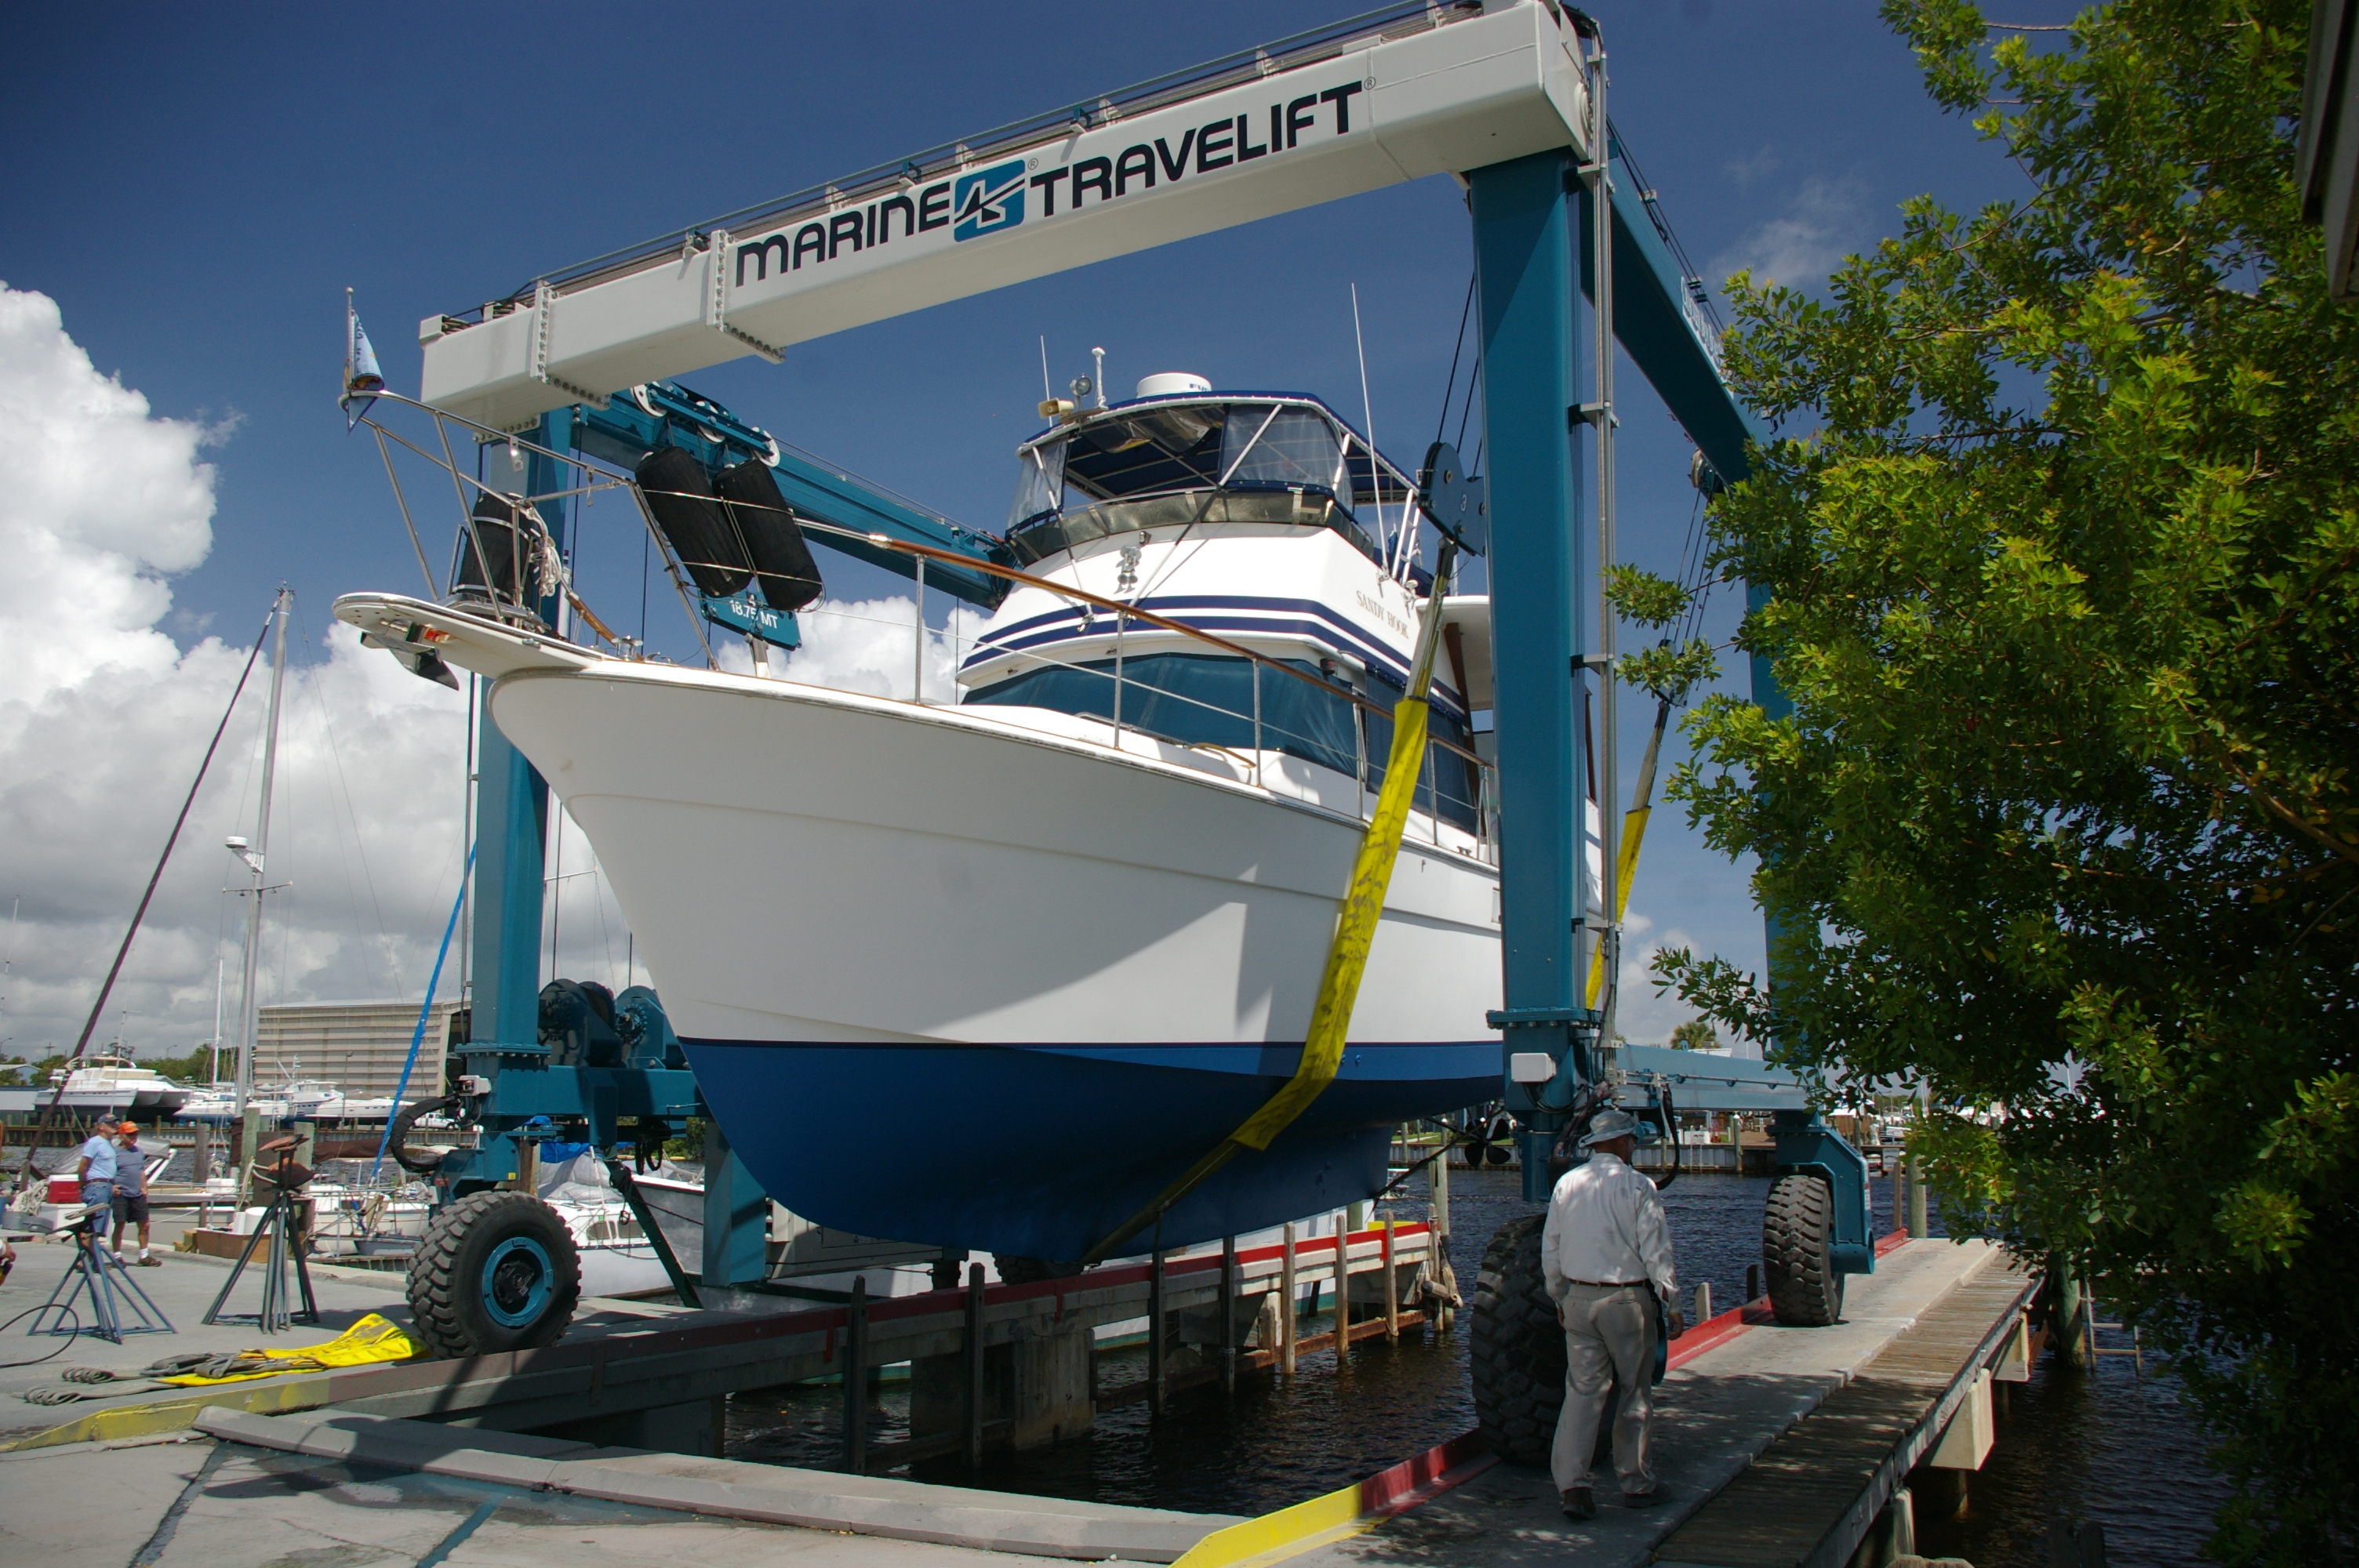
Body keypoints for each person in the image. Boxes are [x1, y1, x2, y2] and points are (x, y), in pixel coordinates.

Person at [1541, 1107, 1684, 1520]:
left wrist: (1559, 1298)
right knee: (1634, 1392)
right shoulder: (1639, 1186)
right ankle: (1636, 1483)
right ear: (1623, 1142)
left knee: (1582, 1394)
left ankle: (1573, 1489)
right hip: (1625, 1301)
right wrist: (1670, 1300)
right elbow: (1656, 1251)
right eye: (1633, 1141)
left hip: (1579, 1301)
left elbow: (1551, 1248)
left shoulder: (1568, 1184)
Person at [110, 1122, 159, 1265]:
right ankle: (117, 1256)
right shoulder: (114, 1153)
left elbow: (141, 1171)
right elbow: (108, 1172)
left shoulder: (139, 1152)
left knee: (144, 1225)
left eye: (136, 1134)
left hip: (137, 1194)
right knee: (120, 1224)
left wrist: (144, 1187)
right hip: (121, 1194)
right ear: (121, 1136)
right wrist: (112, 1186)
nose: (134, 1137)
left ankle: (144, 1256)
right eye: (130, 1134)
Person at [72, 1113, 121, 1250]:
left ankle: (92, 1261)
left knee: (98, 1229)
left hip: (106, 1186)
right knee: (92, 1228)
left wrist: (112, 1184)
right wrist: (83, 1184)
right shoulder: (95, 1142)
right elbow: (83, 1166)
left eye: (115, 1123)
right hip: (97, 1186)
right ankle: (87, 1261)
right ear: (101, 1127)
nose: (114, 1126)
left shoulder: (109, 1144)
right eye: (110, 1123)